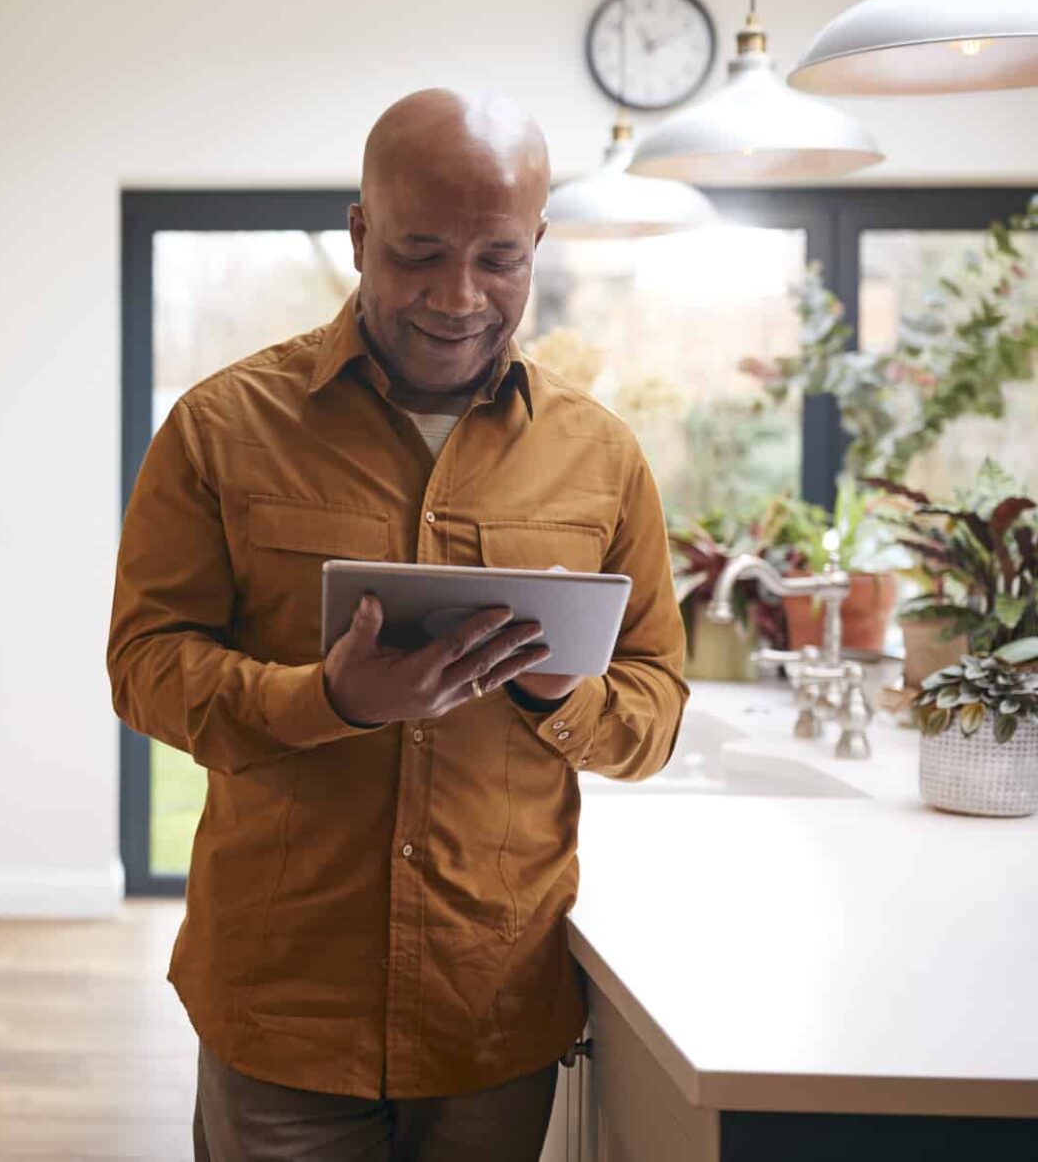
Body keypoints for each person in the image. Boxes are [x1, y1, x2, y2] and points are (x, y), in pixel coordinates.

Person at [107, 88, 687, 1161]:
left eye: (496, 259)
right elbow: (143, 667)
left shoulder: (600, 458)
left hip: (491, 1010)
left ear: (535, 249)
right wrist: (326, 699)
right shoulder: (219, 428)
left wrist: (563, 692)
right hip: (280, 1004)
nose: (457, 297)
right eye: (417, 252)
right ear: (359, 232)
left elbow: (653, 713)